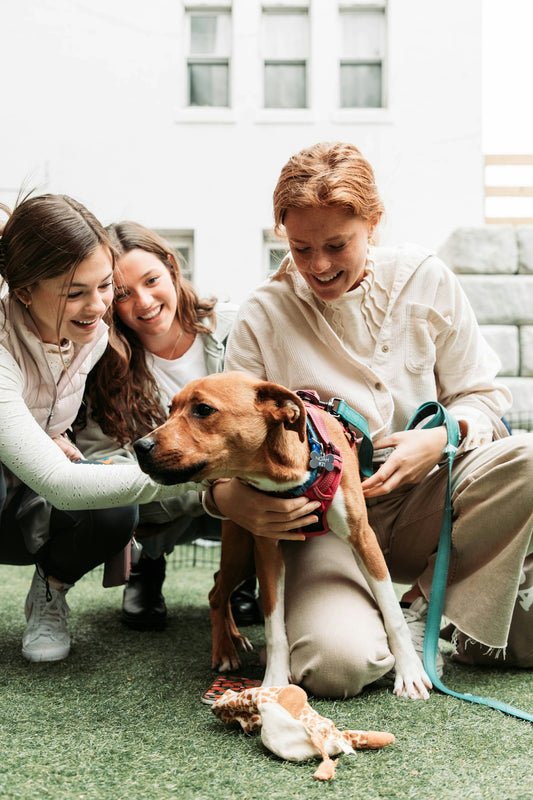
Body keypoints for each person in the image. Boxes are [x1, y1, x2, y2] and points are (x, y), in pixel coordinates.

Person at [205, 141, 533, 699]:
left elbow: (483, 396)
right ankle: (399, 618)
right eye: (300, 246)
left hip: (429, 497)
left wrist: (439, 438)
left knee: (528, 457)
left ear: (373, 224)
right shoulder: (264, 313)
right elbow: (223, 446)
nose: (318, 266)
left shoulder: (426, 277)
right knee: (338, 667)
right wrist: (225, 498)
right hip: (318, 521)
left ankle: (426, 606)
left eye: (337, 245)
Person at [0, 194, 235, 663]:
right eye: (74, 292)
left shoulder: (94, 335)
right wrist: (207, 483)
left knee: (111, 506)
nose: (99, 305)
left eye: (106, 286)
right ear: (24, 291)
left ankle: (50, 587)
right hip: (17, 491)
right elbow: (62, 484)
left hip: (31, 489)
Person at [73, 222, 263, 630]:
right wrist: (206, 490)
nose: (143, 301)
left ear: (173, 268)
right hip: (166, 498)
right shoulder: (102, 360)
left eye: (151, 280)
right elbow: (96, 461)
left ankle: (243, 576)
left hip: (244, 485)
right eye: (122, 294)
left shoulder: (236, 329)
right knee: (124, 485)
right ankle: (146, 567)